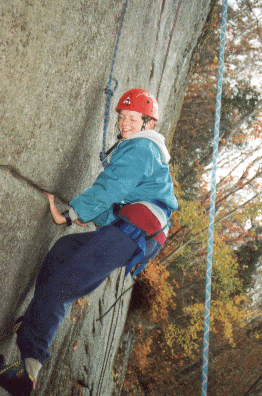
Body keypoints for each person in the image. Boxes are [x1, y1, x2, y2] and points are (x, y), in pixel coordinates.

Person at [0, 88, 178, 395]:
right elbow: (121, 203)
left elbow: (113, 185)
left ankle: (26, 373)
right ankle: (36, 319)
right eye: (122, 117)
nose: (125, 124)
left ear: (149, 123)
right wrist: (89, 216)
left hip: (133, 232)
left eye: (133, 118)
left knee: (60, 288)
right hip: (130, 230)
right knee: (63, 251)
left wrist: (71, 215)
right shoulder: (142, 150)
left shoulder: (142, 149)